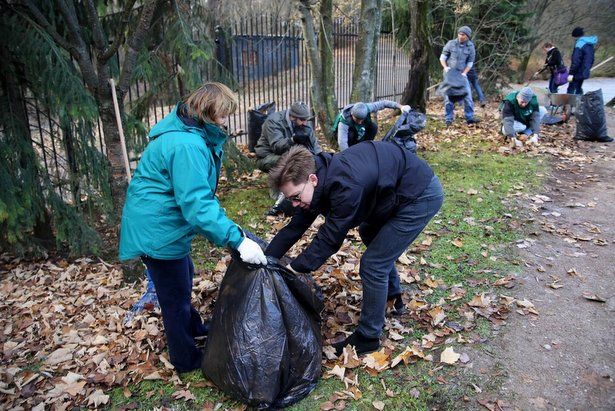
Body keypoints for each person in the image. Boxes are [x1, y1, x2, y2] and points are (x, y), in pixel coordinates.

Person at [119, 82, 267, 373]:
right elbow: (197, 205)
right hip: (158, 230)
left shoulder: (190, 134)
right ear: (207, 113)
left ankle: (195, 328)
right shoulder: (186, 145)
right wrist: (237, 240)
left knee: (183, 277)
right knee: (174, 297)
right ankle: (185, 358)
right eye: (223, 115)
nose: (226, 121)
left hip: (164, 224)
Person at [264, 143, 444, 355]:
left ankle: (368, 337)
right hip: (390, 193)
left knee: (373, 265)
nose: (293, 204)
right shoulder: (319, 179)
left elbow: (330, 238)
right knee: (368, 232)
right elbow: (295, 227)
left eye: (295, 197)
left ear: (312, 180)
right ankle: (392, 296)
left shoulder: (345, 186)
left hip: (419, 194)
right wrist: (267, 258)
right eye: (289, 199)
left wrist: (295, 268)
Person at [254, 101, 321, 172]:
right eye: (302, 120)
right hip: (268, 156)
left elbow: (315, 145)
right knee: (297, 162)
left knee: (315, 162)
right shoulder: (273, 122)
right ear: (292, 117)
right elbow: (277, 147)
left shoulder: (303, 123)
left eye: (306, 120)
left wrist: (320, 157)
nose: (305, 123)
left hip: (292, 154)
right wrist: (292, 140)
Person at [440, 26, 480, 126]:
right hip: (450, 74)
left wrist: (464, 73)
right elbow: (442, 58)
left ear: (468, 37)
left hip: (462, 74)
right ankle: (448, 118)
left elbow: (470, 63)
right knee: (449, 97)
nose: (461, 36)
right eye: (460, 34)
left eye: (463, 35)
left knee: (468, 96)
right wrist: (446, 68)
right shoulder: (450, 43)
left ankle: (469, 117)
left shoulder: (470, 47)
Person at [332, 100, 411, 150]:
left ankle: (365, 148)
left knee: (373, 127)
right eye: (357, 119)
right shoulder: (344, 121)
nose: (360, 122)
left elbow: (383, 103)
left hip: (358, 131)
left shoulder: (367, 108)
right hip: (346, 135)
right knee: (351, 135)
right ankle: (354, 149)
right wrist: (349, 156)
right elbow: (342, 143)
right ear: (352, 114)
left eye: (361, 119)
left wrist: (401, 107)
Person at [567, 27, 597, 95]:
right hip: (584, 70)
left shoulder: (579, 44)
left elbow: (576, 61)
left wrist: (571, 73)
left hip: (577, 71)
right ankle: (579, 103)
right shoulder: (589, 44)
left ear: (575, 36)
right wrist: (587, 69)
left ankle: (570, 105)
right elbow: (591, 59)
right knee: (578, 88)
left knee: (571, 89)